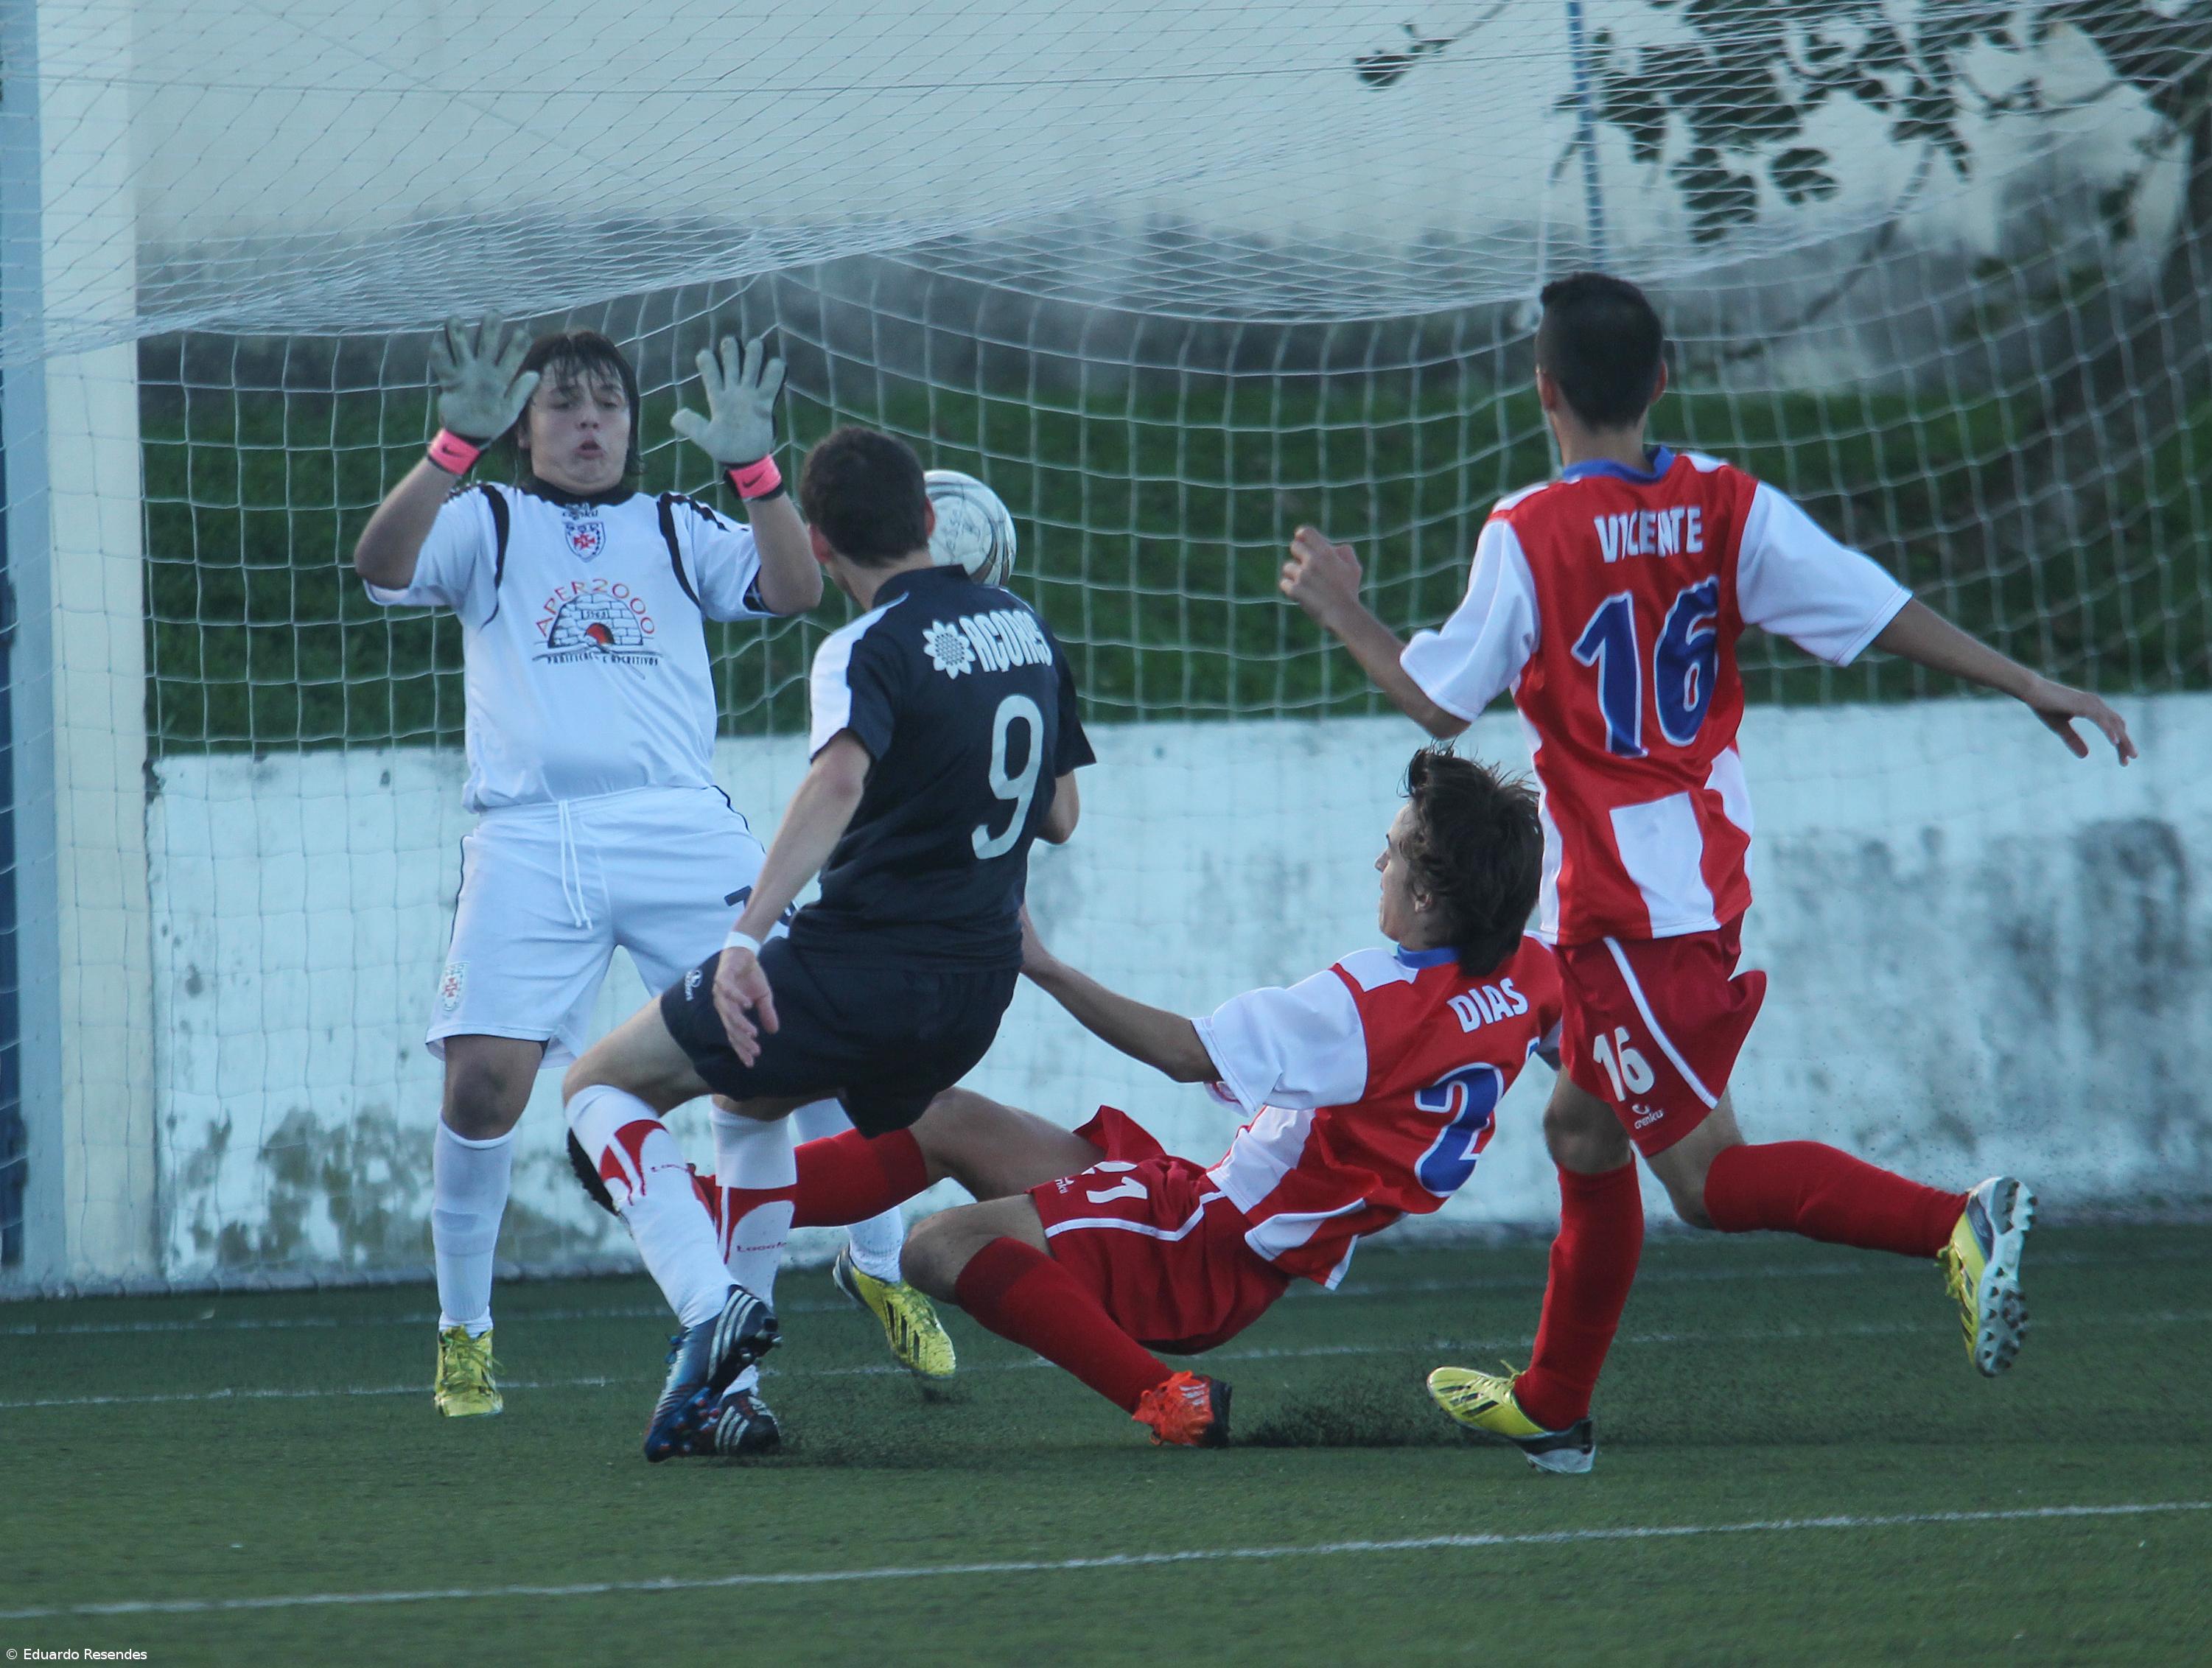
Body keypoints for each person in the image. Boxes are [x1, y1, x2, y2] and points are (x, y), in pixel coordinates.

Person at [1278, 272, 2138, 1471]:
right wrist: (2026, 681)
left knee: (1707, 1177)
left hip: (1640, 918)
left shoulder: (1528, 530)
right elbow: (1875, 607)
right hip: (1682, 886)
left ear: (1544, 392)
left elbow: (1436, 701)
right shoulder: (1728, 505)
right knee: (1581, 1130)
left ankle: (1959, 1219)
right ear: (1662, 381)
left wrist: (1345, 607)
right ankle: (1556, 1403)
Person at [587, 748, 1561, 1450]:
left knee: (939, 1247)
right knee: (945, 1116)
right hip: (1211, 1203)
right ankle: (707, 1203)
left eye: (1393, 852)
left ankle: (1164, 1399)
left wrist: (1046, 967)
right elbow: (1570, 1029)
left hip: (1209, 1245)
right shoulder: (1528, 972)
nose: (1379, 867)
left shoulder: (1376, 1006)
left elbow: (1186, 1053)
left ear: (1434, 898)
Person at [352, 320, 939, 1420]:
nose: (588, 423)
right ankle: (466, 1334)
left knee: (798, 1045)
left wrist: (757, 468)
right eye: (563, 405)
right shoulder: (485, 519)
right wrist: (449, 448)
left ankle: (878, 1265)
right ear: (522, 424)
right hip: (530, 837)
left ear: (631, 427)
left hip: (678, 828)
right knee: (483, 1086)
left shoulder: (676, 525)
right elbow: (380, 563)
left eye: (607, 406)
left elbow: (796, 589)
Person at [560, 424, 1096, 1460]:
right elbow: (1061, 817)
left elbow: (839, 780)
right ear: (932, 521)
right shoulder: (1026, 628)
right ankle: (731, 1394)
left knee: (596, 1086)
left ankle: (712, 1305)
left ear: (817, 541)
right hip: (977, 991)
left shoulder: (863, 645)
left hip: (863, 969)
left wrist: (746, 937)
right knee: (750, 1094)